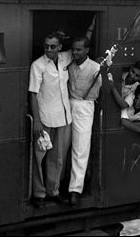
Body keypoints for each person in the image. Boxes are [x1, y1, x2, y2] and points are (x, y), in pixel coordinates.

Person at [29, 31, 74, 208]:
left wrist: (91, 27)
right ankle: (38, 194)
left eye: (53, 46)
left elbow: (84, 45)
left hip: (64, 118)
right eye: (46, 46)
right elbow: (33, 94)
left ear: (60, 47)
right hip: (45, 118)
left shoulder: (65, 58)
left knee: (58, 158)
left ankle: (53, 191)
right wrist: (37, 121)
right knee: (39, 157)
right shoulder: (37, 65)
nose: (49, 49)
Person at [66, 33, 101, 207]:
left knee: (80, 148)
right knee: (63, 146)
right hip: (67, 104)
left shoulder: (96, 68)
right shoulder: (69, 65)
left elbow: (104, 88)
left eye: (79, 49)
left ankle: (75, 189)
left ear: (87, 50)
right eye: (73, 49)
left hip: (85, 106)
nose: (75, 52)